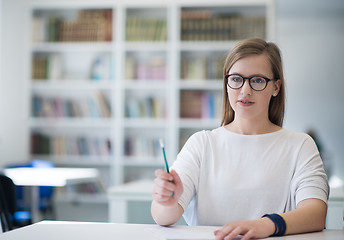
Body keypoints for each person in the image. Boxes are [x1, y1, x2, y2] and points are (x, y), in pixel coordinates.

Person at [151, 38, 329, 240]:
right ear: (226, 83)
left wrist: (266, 225)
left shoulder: (300, 145)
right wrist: (165, 201)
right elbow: (164, 217)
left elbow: (316, 214)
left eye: (257, 80)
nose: (245, 90)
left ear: (276, 87)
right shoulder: (201, 144)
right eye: (236, 79)